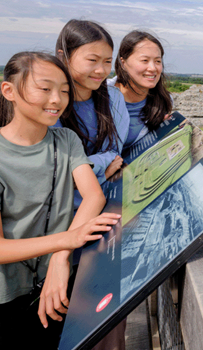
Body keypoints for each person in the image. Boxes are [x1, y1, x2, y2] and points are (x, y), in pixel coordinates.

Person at [0, 51, 121, 349]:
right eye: (44, 88)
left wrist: (59, 259)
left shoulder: (65, 140)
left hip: (59, 284)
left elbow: (93, 195)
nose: (56, 99)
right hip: (8, 296)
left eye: (64, 91)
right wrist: (69, 240)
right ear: (9, 91)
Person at [54, 19, 129, 207]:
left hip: (103, 204)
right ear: (64, 57)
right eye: (92, 60)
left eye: (107, 62)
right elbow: (55, 173)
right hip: (59, 213)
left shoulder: (114, 99)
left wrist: (83, 170)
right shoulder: (50, 103)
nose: (101, 70)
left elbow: (114, 154)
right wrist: (101, 172)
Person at [108, 30, 172, 151]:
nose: (153, 68)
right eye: (144, 60)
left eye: (158, 61)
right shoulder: (101, 95)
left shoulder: (164, 101)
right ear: (123, 63)